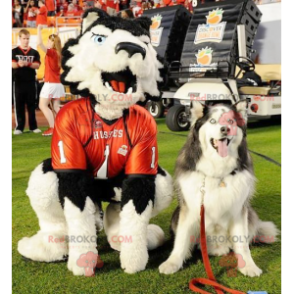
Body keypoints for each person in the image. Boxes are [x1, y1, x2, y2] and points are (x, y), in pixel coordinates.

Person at [11, 29, 42, 135]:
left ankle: (33, 126)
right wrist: (20, 64)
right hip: (18, 82)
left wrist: (27, 63)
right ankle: (19, 127)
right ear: (19, 38)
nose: (26, 41)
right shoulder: (14, 52)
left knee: (31, 105)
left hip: (31, 82)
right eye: (24, 38)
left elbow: (37, 65)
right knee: (19, 105)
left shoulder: (34, 52)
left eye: (27, 38)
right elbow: (13, 65)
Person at [37, 25, 65, 137]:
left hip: (51, 85)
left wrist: (39, 30)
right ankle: (67, 124)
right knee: (56, 107)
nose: (47, 42)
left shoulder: (52, 52)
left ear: (53, 42)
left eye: (49, 41)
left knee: (42, 105)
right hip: (57, 83)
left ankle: (52, 127)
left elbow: (39, 44)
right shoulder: (59, 53)